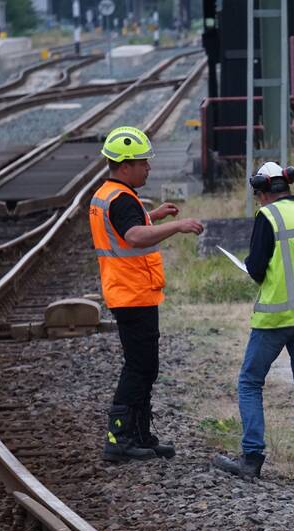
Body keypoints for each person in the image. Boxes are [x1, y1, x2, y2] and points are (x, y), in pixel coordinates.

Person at [213, 162, 294, 486]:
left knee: (249, 382)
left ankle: (252, 457)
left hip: (275, 317)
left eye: (258, 196)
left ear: (262, 192)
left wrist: (251, 268)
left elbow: (257, 269)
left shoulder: (268, 217)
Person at [90, 126, 203, 463]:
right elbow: (135, 236)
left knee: (145, 366)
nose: (149, 168)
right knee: (139, 367)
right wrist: (177, 227)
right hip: (132, 293)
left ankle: (139, 435)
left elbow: (124, 226)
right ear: (125, 165)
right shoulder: (121, 197)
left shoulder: (109, 194)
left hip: (130, 292)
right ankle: (119, 438)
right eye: (143, 163)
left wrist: (153, 215)